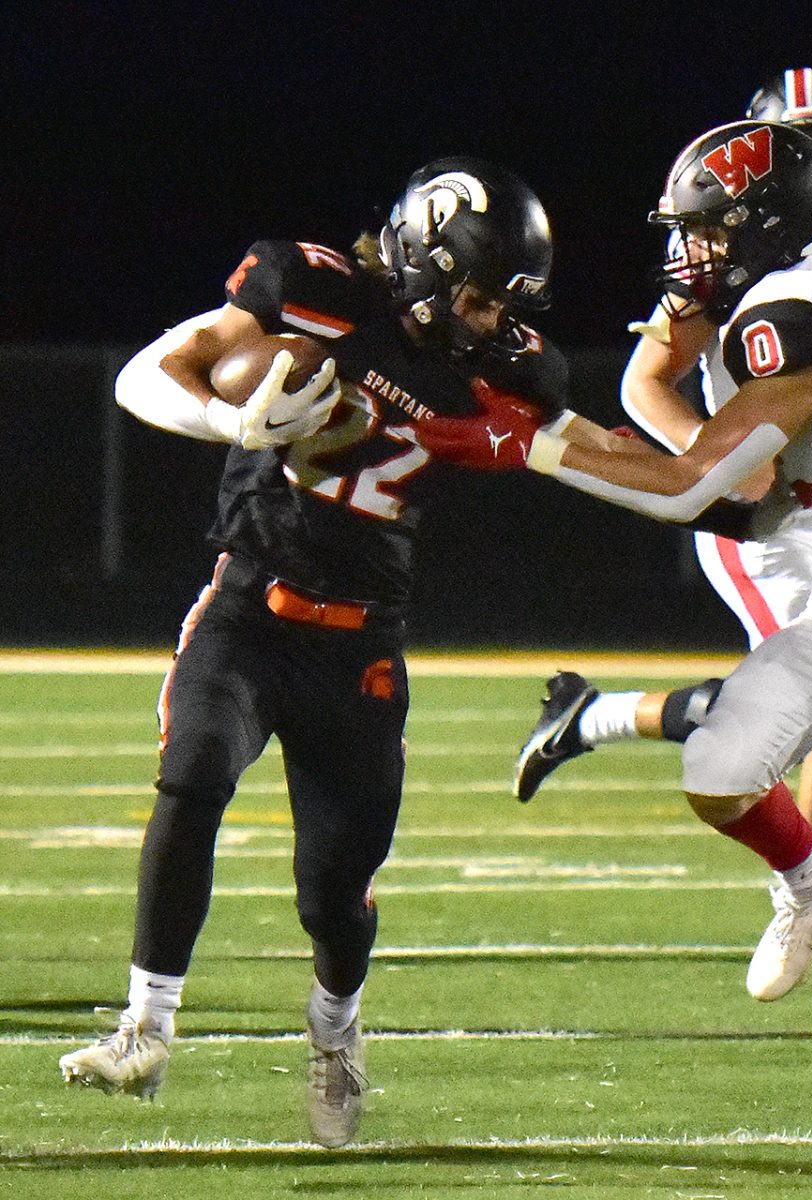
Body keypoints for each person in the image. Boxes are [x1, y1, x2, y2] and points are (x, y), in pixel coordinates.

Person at [421, 120, 812, 1172]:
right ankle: (807, 880)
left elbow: (690, 485)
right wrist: (576, 437)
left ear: (763, 229)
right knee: (718, 769)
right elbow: (745, 506)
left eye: (707, 232)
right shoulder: (791, 303)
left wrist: (533, 442)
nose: (687, 253)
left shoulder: (794, 317)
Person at [58, 157, 570, 1148]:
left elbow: (549, 419)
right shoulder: (314, 291)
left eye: (497, 302)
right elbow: (145, 376)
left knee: (333, 897)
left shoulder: (502, 366)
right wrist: (230, 420)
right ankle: (145, 1028)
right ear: (423, 254)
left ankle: (335, 1035)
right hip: (249, 605)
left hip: (362, 643)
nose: (482, 319)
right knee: (191, 773)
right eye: (473, 292)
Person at [513, 68, 812, 997]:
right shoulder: (726, 246)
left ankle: (596, 716)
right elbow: (643, 380)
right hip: (763, 522)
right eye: (798, 138)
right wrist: (713, 458)